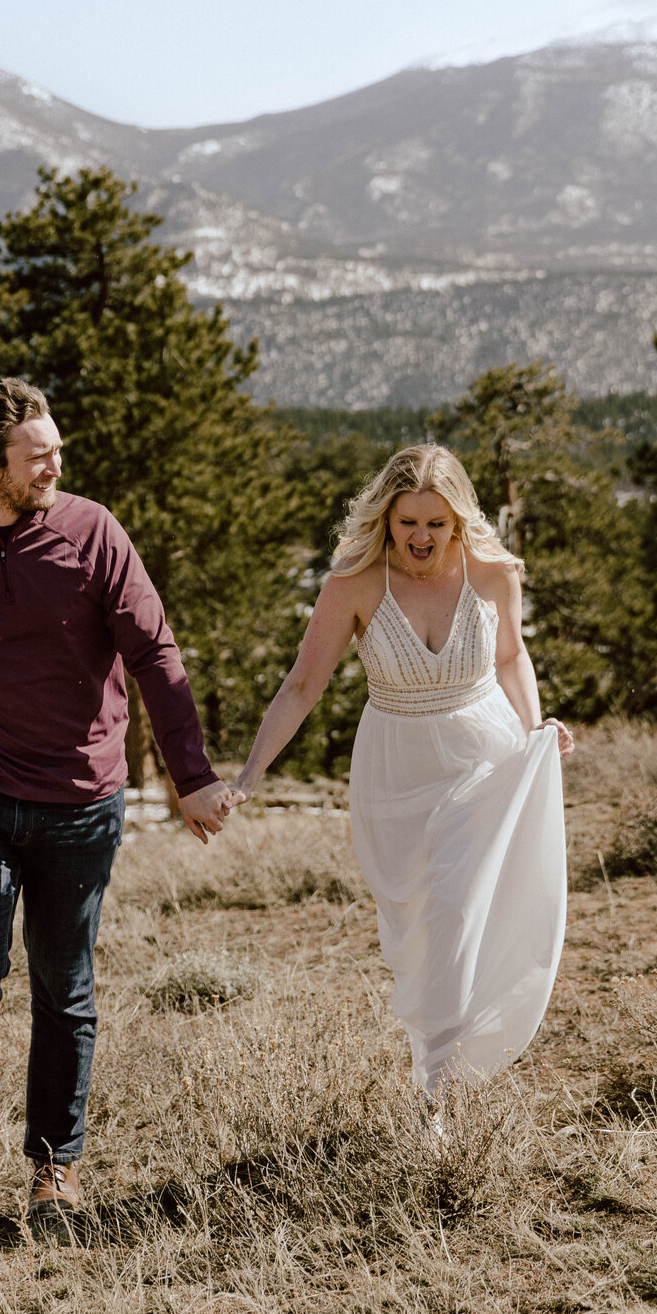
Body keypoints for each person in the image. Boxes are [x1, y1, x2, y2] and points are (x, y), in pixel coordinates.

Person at [0, 378, 234, 1225]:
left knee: (61, 983)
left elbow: (153, 650)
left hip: (79, 801)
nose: (56, 467)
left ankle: (54, 1168)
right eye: (39, 458)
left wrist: (190, 776)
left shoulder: (92, 531)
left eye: (58, 452)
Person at [233, 444, 572, 1097]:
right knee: (421, 935)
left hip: (484, 762)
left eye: (436, 524)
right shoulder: (354, 583)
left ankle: (437, 1102)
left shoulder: (494, 573)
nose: (421, 537)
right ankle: (443, 1056)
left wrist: (534, 728)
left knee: (454, 911)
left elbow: (511, 656)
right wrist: (251, 773)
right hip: (396, 772)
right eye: (408, 521)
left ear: (458, 520)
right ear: (386, 516)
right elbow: (303, 685)